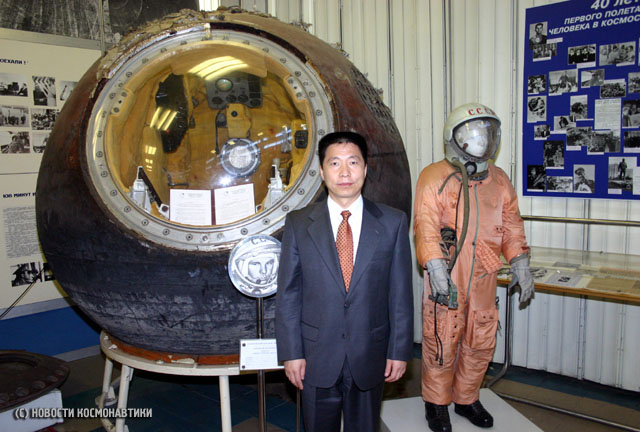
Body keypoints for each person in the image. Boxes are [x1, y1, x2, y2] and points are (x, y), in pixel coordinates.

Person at [276, 131, 414, 432]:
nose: (345, 172)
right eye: (335, 163)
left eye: (353, 162)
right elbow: (288, 294)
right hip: (316, 355)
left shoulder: (392, 223)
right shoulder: (299, 224)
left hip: (370, 353)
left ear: (365, 169)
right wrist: (291, 352)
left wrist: (399, 350)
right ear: (322, 171)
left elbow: (400, 295)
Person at [414, 103, 534, 432]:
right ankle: (436, 402)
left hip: (484, 271)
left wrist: (521, 262)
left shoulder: (499, 180)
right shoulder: (435, 176)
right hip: (448, 271)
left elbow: (511, 226)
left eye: (487, 134)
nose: (482, 140)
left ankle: (467, 397)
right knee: (442, 336)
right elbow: (425, 224)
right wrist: (435, 265)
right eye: (474, 134)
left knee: (480, 337)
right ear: (454, 137)